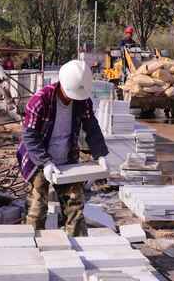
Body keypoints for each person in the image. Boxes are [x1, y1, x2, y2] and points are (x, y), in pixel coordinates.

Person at [16, 60, 109, 236]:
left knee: (75, 205)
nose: (73, 99)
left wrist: (100, 154)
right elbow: (29, 136)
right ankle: (33, 246)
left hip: (67, 159)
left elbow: (92, 127)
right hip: (38, 158)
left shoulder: (83, 101)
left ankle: (78, 248)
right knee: (37, 208)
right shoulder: (40, 100)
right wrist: (46, 163)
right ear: (62, 85)